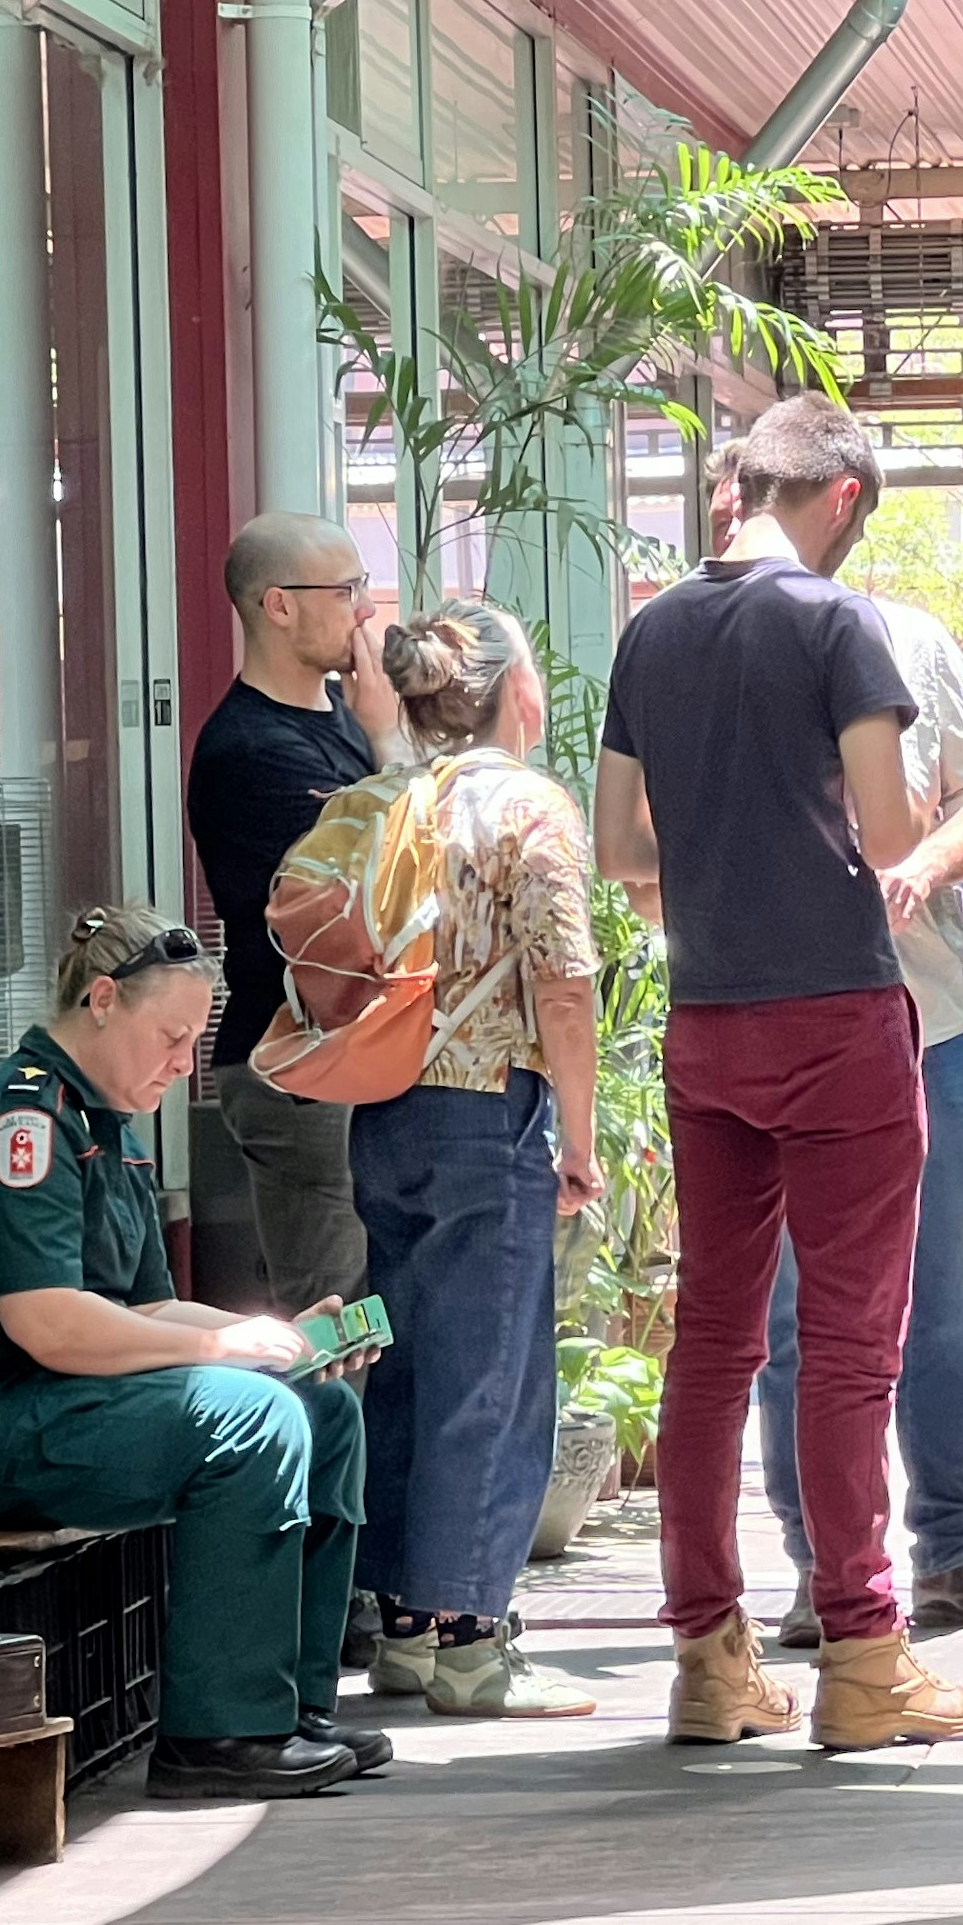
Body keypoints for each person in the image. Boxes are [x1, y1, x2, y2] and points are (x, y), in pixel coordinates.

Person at [593, 406, 963, 1752]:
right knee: (848, 1347)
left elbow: (618, 850)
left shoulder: (649, 633)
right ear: (838, 496)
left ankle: (710, 1665)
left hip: (707, 1019)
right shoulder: (841, 627)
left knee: (712, 1347)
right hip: (838, 1017)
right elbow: (892, 832)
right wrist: (932, 836)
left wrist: (720, 874)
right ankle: (867, 1662)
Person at [0, 903, 391, 1802]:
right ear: (104, 1000)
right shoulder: (24, 1118)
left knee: (319, 1404)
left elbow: (147, 1306)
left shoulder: (112, 1127)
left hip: (58, 1401)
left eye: (195, 1042)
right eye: (172, 1037)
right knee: (252, 1418)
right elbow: (50, 1323)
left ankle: (291, 1710)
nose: (183, 1063)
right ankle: (220, 1737)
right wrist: (227, 1349)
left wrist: (282, 1342)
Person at [724, 399, 963, 1650]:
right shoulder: (709, 643)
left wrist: (926, 868)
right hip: (781, 1027)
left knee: (937, 1308)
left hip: (926, 1023)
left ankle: (948, 1558)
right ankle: (823, 1571)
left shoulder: (910, 641)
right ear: (848, 497)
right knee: (796, 1318)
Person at [338, 602, 607, 1718]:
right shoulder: (528, 806)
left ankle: (401, 1626)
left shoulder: (381, 801)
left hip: (381, 1106)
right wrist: (582, 1144)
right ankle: (470, 1643)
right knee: (490, 1376)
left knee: (402, 1367)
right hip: (488, 1111)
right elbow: (565, 981)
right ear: (512, 690)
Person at [189, 509, 396, 1303]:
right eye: (347, 589)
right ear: (278, 605)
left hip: (355, 1056)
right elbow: (364, 889)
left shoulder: (345, 716)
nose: (367, 610)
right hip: (295, 1060)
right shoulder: (246, 750)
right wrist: (389, 747)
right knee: (337, 1317)